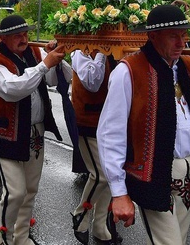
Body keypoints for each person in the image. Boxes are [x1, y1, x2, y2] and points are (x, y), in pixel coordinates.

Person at [97, 5, 190, 245]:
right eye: (173, 35)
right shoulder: (129, 71)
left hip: (189, 177)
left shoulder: (189, 67)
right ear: (153, 36)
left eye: (184, 34)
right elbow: (110, 134)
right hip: (153, 178)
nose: (181, 41)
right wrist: (119, 192)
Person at [0, 14, 71, 245]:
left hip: (35, 131)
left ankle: (21, 238)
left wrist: (58, 59)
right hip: (7, 134)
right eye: (17, 35)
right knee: (15, 192)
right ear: (3, 38)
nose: (23, 39)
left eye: (25, 34)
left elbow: (57, 79)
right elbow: (13, 89)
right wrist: (45, 64)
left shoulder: (33, 51)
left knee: (30, 189)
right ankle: (4, 237)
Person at [70, 51, 120, 244]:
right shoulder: (81, 53)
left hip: (109, 120)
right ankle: (81, 213)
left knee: (111, 174)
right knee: (99, 174)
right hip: (88, 121)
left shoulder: (112, 53)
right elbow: (93, 82)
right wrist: (101, 52)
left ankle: (99, 226)